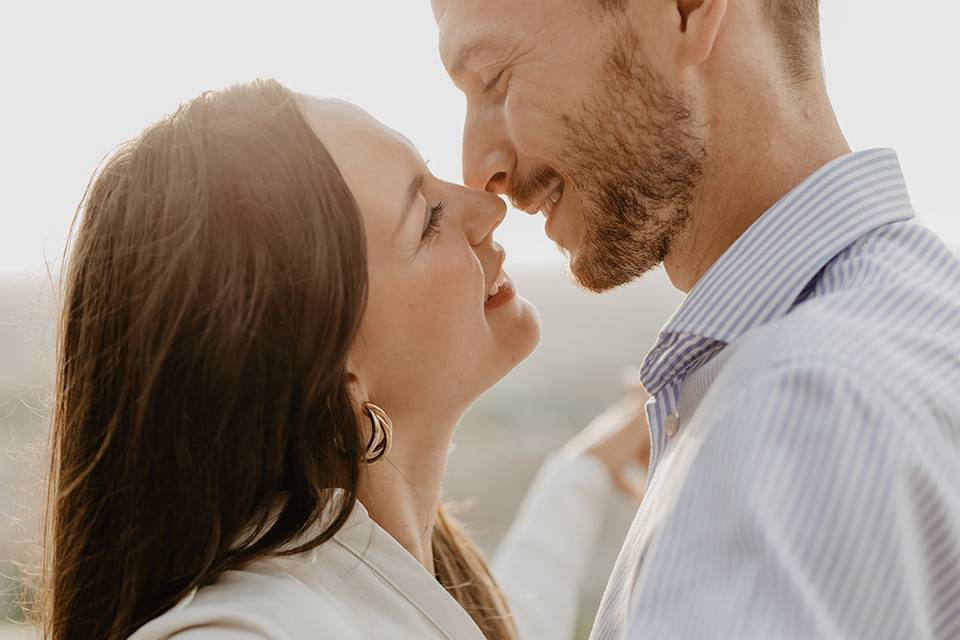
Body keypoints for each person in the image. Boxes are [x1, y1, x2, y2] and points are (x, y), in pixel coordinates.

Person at [37, 79, 648, 640]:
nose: (489, 210)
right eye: (428, 217)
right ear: (336, 374)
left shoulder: (402, 584)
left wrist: (582, 474)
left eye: (433, 178)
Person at [433, 0, 960, 637]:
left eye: (496, 77)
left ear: (684, 12)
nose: (478, 168)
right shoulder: (916, 316)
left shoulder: (792, 409)